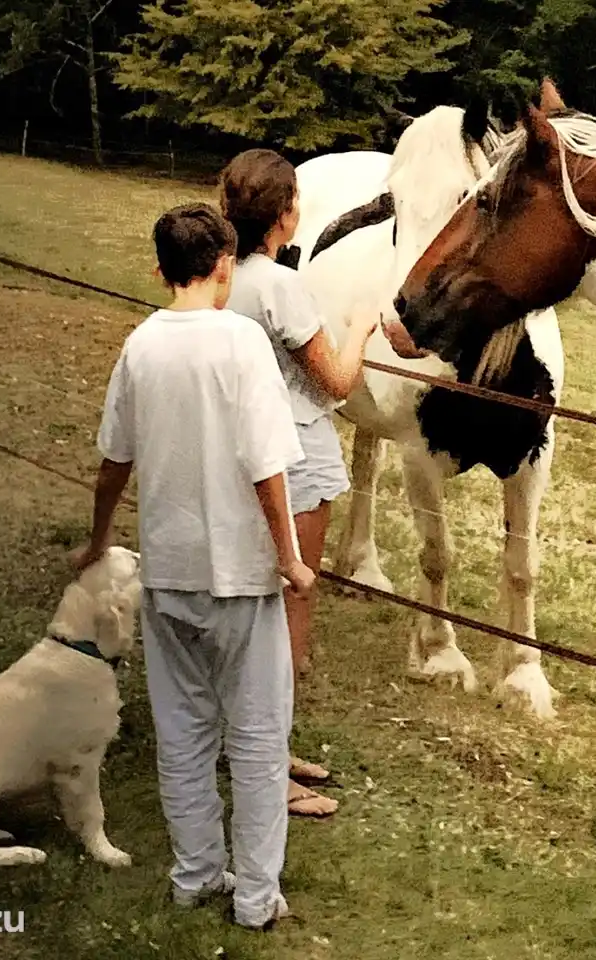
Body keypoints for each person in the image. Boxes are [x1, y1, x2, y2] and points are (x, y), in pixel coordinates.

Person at [69, 201, 315, 930]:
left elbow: (114, 461)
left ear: (160, 270)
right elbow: (266, 464)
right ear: (225, 266)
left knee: (183, 733)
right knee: (259, 739)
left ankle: (196, 874)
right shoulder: (241, 343)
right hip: (240, 575)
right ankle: (256, 896)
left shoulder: (141, 345)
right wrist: (290, 558)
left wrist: (98, 540)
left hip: (169, 572)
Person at [219, 148, 379, 818]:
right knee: (292, 606)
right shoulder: (281, 287)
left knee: (252, 600)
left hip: (241, 449)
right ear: (285, 215)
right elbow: (335, 381)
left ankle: (254, 744)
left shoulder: (221, 278)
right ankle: (267, 768)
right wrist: (362, 330)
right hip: (296, 455)